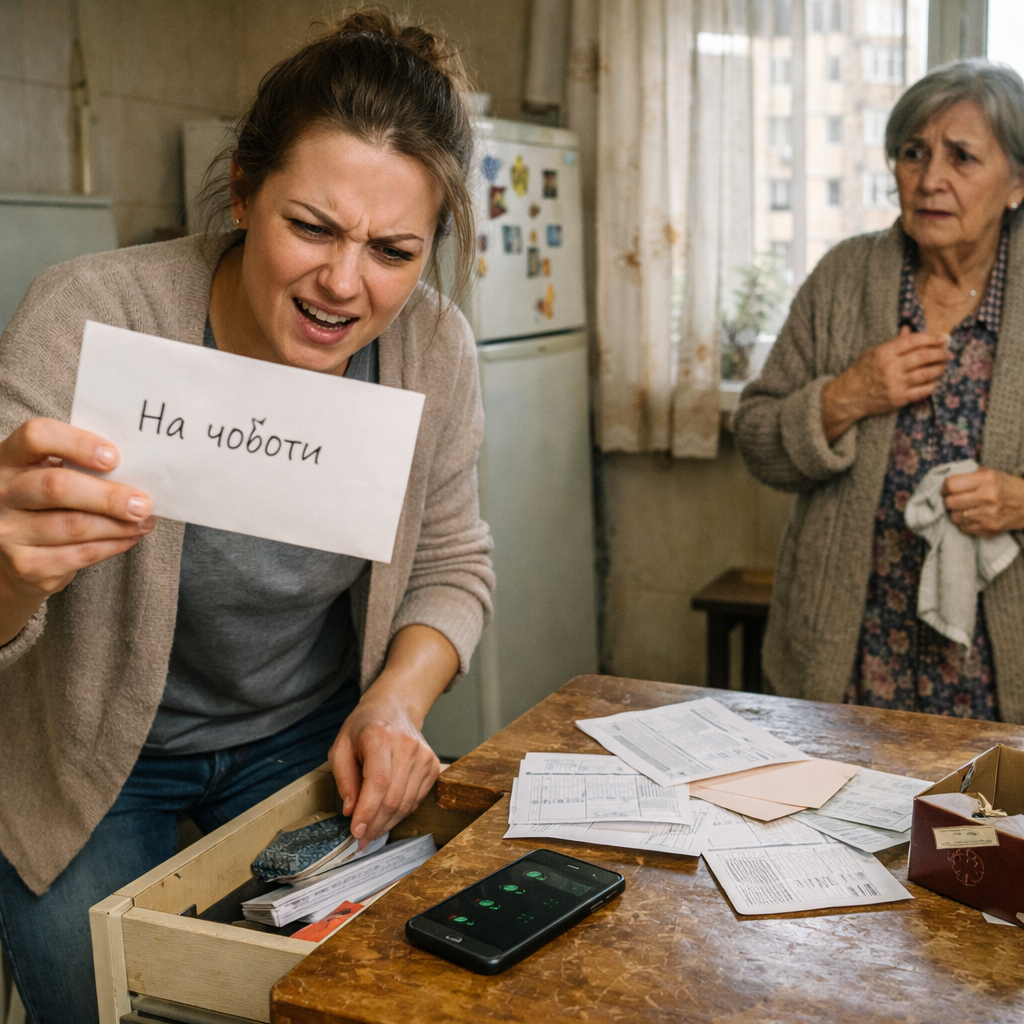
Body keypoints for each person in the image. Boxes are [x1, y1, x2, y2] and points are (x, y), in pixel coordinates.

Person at [0, 11, 493, 1023]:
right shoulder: (89, 315)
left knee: (339, 1002)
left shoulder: (434, 349)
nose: (344, 283)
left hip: (299, 739)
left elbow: (453, 560)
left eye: (394, 250)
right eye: (309, 227)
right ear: (240, 193)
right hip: (83, 754)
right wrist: (10, 564)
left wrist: (396, 702)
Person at [735, 59, 1024, 726]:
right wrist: (845, 397)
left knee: (984, 832)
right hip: (848, 655)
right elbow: (756, 438)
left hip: (996, 669)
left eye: (962, 157)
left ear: (1016, 184)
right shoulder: (845, 277)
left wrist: (1017, 499)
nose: (929, 180)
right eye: (913, 153)